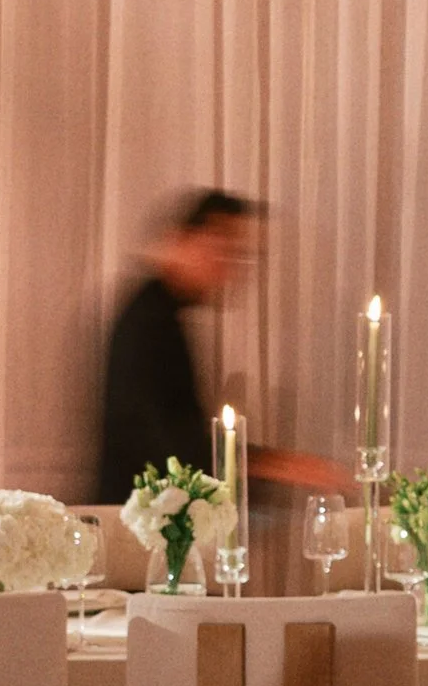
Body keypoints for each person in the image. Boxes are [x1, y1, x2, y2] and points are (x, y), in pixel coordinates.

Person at [94, 191, 344, 504]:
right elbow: (167, 446)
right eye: (223, 250)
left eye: (238, 255)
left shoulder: (160, 313)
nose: (229, 268)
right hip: (137, 516)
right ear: (182, 240)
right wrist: (281, 465)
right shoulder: (148, 323)